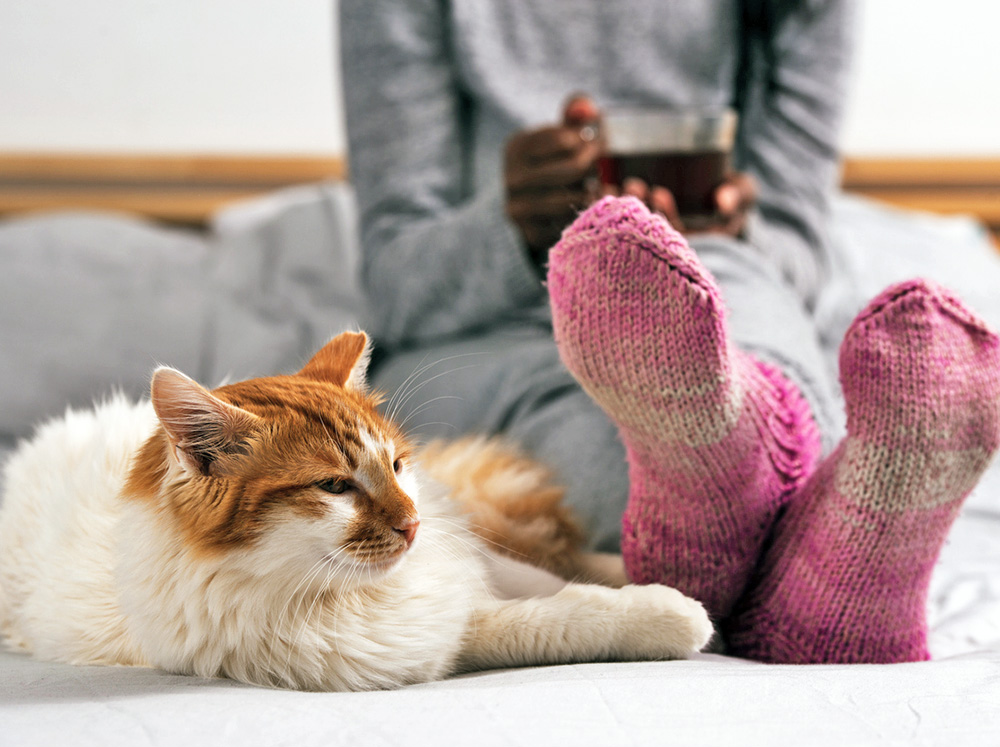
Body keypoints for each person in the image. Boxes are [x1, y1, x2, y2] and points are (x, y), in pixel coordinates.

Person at [339, 0, 1000, 664]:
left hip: (715, 283)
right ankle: (839, 582)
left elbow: (796, 255)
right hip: (495, 331)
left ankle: (727, 443)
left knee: (735, 329)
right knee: (625, 459)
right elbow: (397, 289)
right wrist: (511, 224)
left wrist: (733, 232)